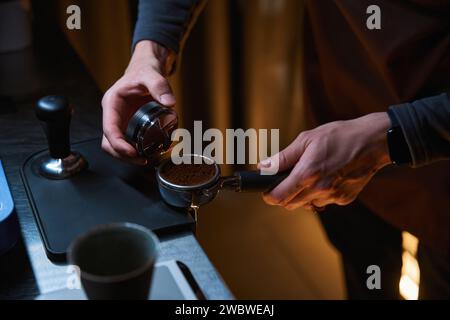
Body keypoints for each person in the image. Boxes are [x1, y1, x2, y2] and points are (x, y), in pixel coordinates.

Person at [101, 0, 450, 299]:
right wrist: (151, 49)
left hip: (441, 174)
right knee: (368, 274)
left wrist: (389, 136)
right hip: (340, 117)